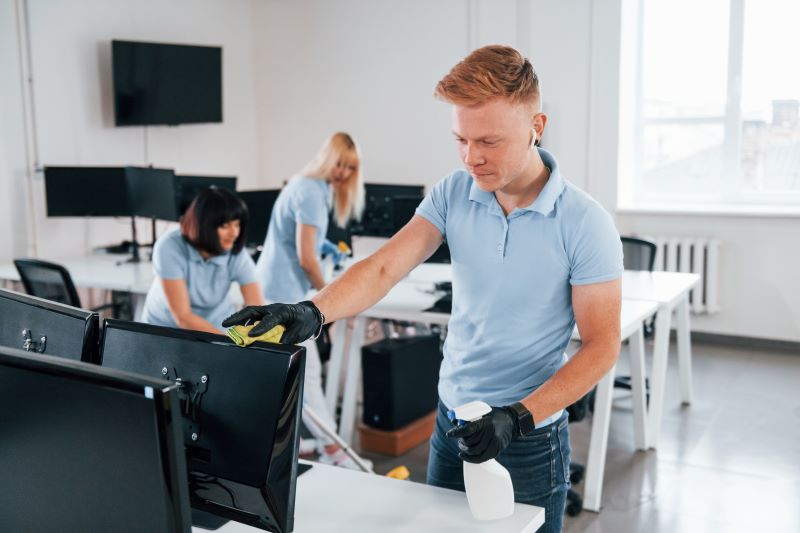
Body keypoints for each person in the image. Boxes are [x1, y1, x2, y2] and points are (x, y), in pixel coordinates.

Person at [224, 45, 622, 531]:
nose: (471, 157)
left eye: (489, 142)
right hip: (453, 423)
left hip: (529, 437)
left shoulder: (585, 223)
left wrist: (517, 417)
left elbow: (601, 347)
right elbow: (384, 267)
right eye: (461, 139)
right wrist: (312, 311)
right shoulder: (454, 192)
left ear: (537, 126)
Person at [254, 132, 365, 469]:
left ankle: (313, 444)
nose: (343, 173)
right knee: (310, 372)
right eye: (340, 164)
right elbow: (305, 258)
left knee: (293, 373)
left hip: (274, 286)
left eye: (350, 168)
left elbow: (304, 245)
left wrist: (326, 249)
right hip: (285, 293)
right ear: (326, 158)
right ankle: (333, 449)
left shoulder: (303, 185)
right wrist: (329, 299)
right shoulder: (312, 193)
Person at [142, 187, 263, 334]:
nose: (234, 233)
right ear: (204, 226)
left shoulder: (236, 252)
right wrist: (230, 344)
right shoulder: (169, 246)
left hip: (216, 328)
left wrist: (249, 336)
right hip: (166, 329)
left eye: (237, 224)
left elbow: (256, 308)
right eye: (225, 226)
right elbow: (183, 317)